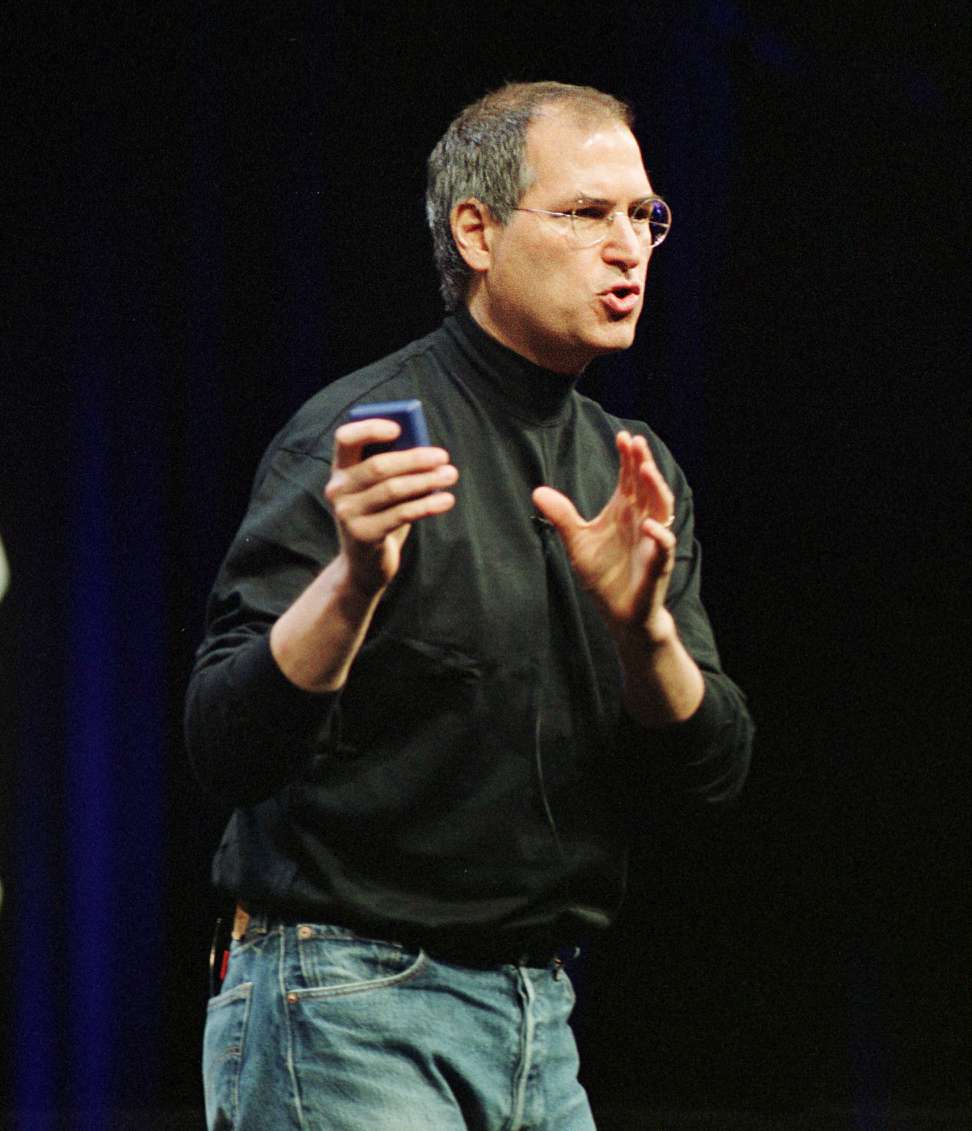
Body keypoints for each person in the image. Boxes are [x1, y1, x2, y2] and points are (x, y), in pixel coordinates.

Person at [185, 81, 754, 1129]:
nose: (628, 248)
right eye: (587, 213)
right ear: (477, 233)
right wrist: (353, 583)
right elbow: (223, 743)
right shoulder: (366, 442)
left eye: (645, 216)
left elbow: (714, 770)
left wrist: (645, 635)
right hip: (350, 999)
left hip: (540, 1013)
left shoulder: (630, 468)